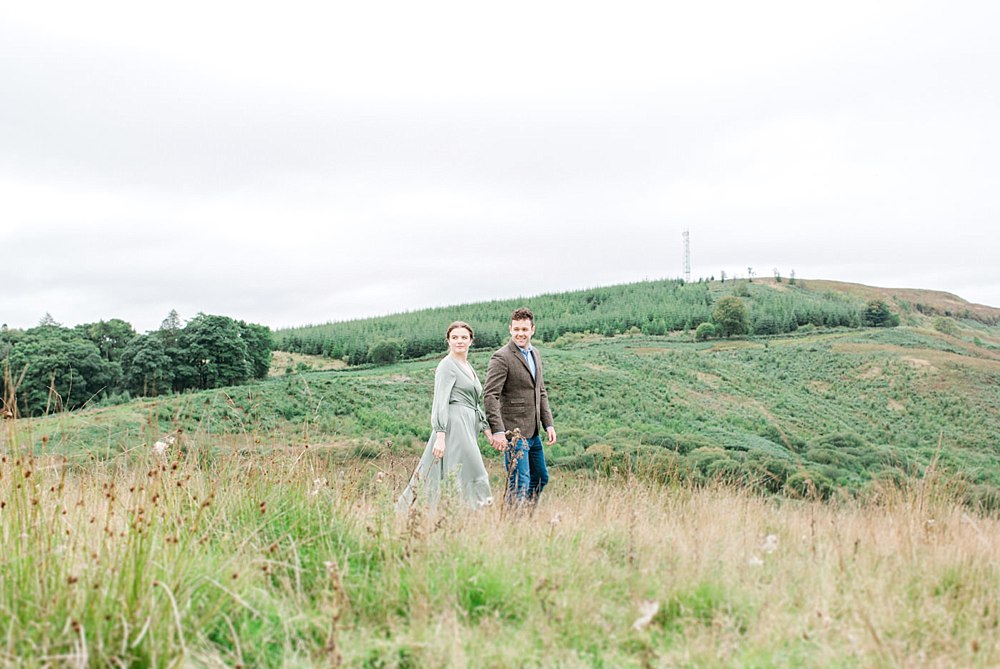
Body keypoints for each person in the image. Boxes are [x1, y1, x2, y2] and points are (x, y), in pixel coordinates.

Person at [397, 321, 495, 512]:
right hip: (454, 425)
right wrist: (440, 436)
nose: (459, 341)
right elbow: (440, 401)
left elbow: (473, 402)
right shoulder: (446, 366)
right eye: (455, 337)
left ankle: (464, 514)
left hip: (469, 425)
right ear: (448, 341)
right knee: (475, 470)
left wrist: (486, 430)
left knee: (461, 470)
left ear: (471, 341)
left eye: (464, 337)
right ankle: (479, 511)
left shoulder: (467, 366)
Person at [483, 307, 557, 506]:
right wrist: (498, 431)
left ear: (532, 329)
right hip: (514, 433)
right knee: (519, 482)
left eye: (524, 329)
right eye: (516, 329)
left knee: (540, 478)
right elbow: (490, 395)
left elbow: (540, 391)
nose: (520, 334)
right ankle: (513, 520)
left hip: (534, 432)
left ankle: (527, 517)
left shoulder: (536, 354)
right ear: (510, 329)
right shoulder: (501, 357)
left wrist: (548, 424)